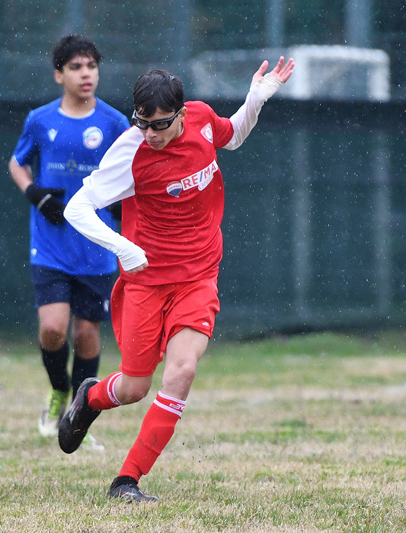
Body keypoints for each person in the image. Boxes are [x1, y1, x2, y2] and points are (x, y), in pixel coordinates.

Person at [58, 57, 295, 500]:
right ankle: (90, 398)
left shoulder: (201, 118)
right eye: (142, 123)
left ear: (182, 114)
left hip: (199, 275)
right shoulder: (131, 150)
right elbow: (77, 208)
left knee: (182, 371)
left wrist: (256, 100)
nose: (151, 133)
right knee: (134, 387)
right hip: (147, 282)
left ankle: (126, 481)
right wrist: (123, 247)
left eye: (161, 124)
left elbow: (233, 135)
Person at [8, 35, 131, 450]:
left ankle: (79, 417)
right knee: (52, 329)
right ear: (59, 74)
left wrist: (120, 206)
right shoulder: (40, 120)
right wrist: (34, 194)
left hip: (96, 247)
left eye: (91, 66)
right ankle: (59, 390)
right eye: (76, 67)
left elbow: (133, 167)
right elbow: (17, 162)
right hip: (51, 244)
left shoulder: (114, 122)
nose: (86, 74)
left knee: (86, 334)